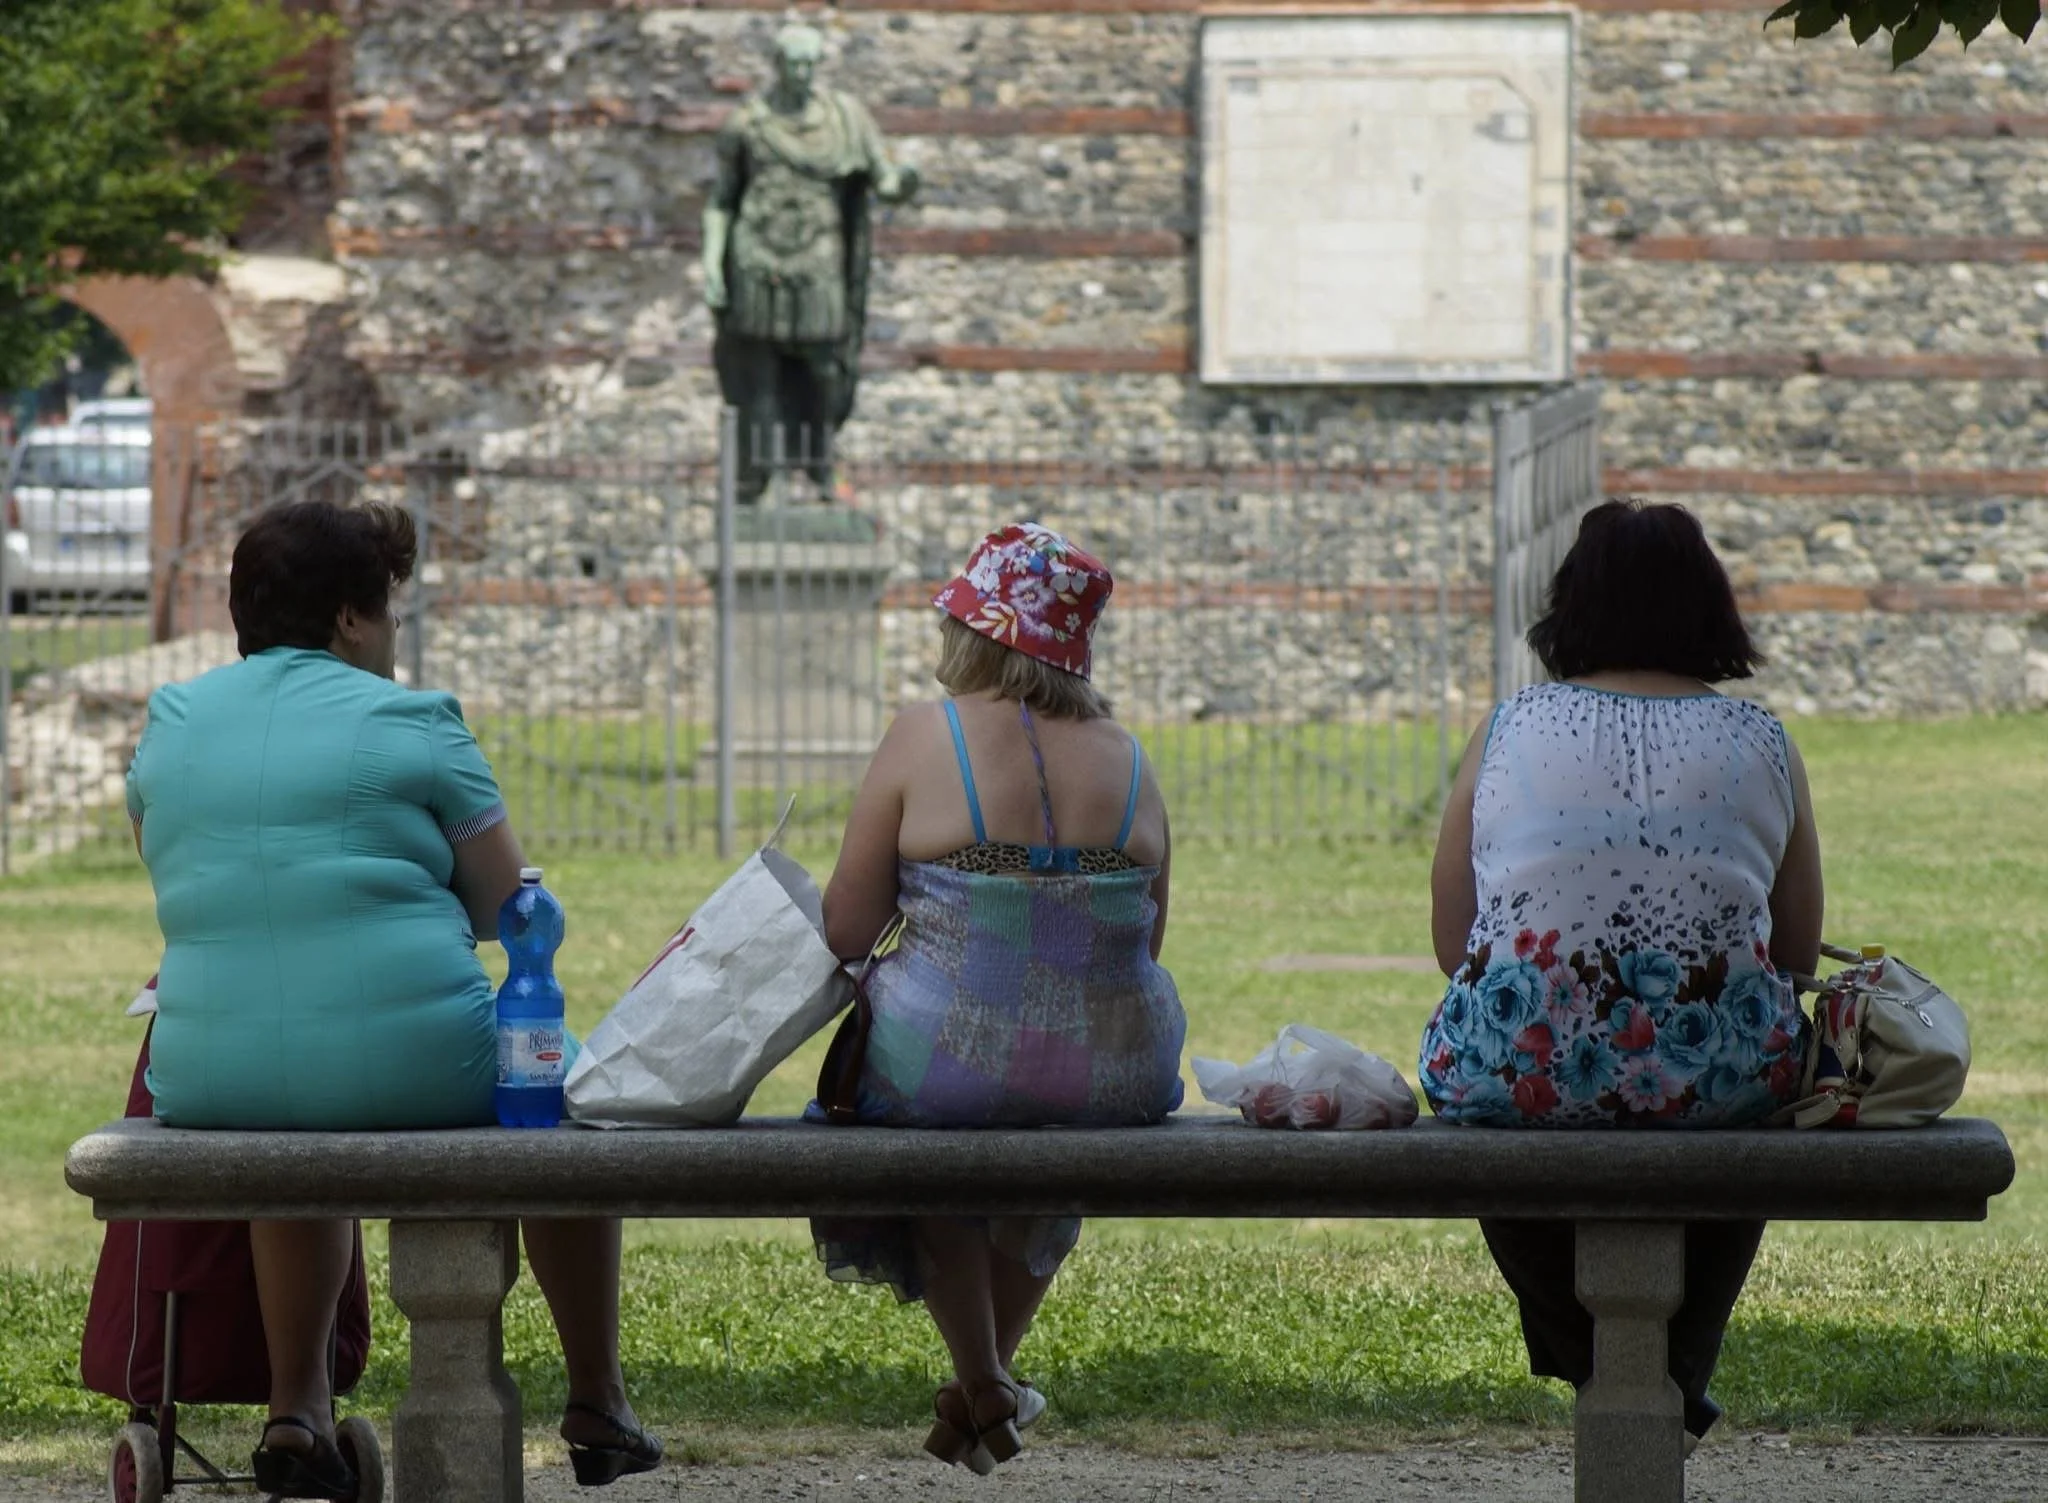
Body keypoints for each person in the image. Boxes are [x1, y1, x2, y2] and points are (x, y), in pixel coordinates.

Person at [125, 501, 661, 1495]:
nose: (397, 633)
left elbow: (170, 863)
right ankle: (598, 1393)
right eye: (393, 611)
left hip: (207, 1073)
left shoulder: (173, 721)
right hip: (422, 1066)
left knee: (292, 1115)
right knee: (568, 1096)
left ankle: (298, 1409)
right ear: (349, 618)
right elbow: (506, 908)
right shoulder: (418, 722)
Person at [1419, 498, 1825, 1448]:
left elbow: (1454, 944)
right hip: (1721, 1077)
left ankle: (1596, 1354)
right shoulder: (1763, 740)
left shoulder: (1510, 726)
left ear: (1572, 606)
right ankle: (1674, 1366)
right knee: (1758, 1071)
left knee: (1483, 1079)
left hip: (1520, 1069)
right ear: (1710, 607)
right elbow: (1798, 958)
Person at [812, 522, 1185, 1471]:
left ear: (976, 631)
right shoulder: (1130, 756)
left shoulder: (923, 734)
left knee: (943, 1097)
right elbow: (1146, 939)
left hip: (943, 1063)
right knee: (1049, 1088)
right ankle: (988, 1387)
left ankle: (982, 1378)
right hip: (1117, 1068)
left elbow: (845, 929)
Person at [702, 22, 918, 501]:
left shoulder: (845, 119)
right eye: (792, 64)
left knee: (826, 366)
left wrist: (902, 184)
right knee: (759, 369)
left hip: (820, 258)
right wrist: (712, 265)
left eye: (808, 64)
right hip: (756, 258)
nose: (801, 73)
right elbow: (721, 201)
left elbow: (882, 179)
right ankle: (759, 473)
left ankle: (821, 463)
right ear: (777, 65)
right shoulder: (747, 123)